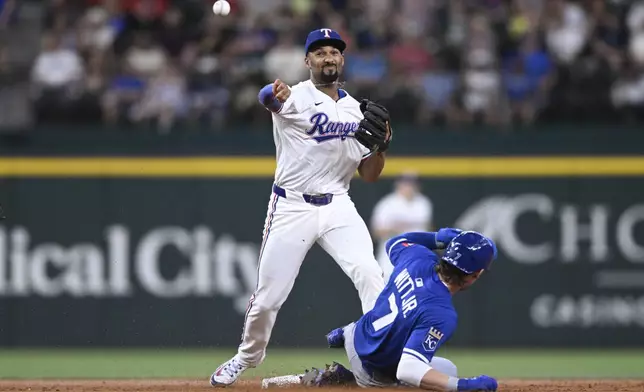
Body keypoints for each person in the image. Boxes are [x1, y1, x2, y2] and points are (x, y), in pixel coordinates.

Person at [210, 28, 393, 387]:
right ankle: (247, 357)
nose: (329, 58)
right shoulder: (296, 96)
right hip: (292, 206)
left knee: (370, 275)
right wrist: (272, 93)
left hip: (339, 204)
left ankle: (379, 357)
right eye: (321, 52)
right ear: (307, 60)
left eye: (335, 52)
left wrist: (382, 147)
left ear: (342, 60)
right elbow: (269, 98)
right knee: (268, 297)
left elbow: (369, 175)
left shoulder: (358, 110)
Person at [300, 229, 499, 391]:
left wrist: (436, 238)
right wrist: (463, 386)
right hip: (371, 370)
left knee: (446, 368)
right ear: (474, 275)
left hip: (359, 333)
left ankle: (277, 382)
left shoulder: (418, 257)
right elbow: (408, 369)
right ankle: (345, 381)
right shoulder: (442, 313)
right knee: (444, 378)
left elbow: (394, 242)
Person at [371, 172, 433, 280]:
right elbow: (376, 232)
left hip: (417, 258)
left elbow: (428, 228)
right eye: (406, 183)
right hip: (391, 259)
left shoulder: (423, 203)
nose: (409, 187)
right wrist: (395, 229)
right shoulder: (387, 204)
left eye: (412, 184)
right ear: (398, 184)